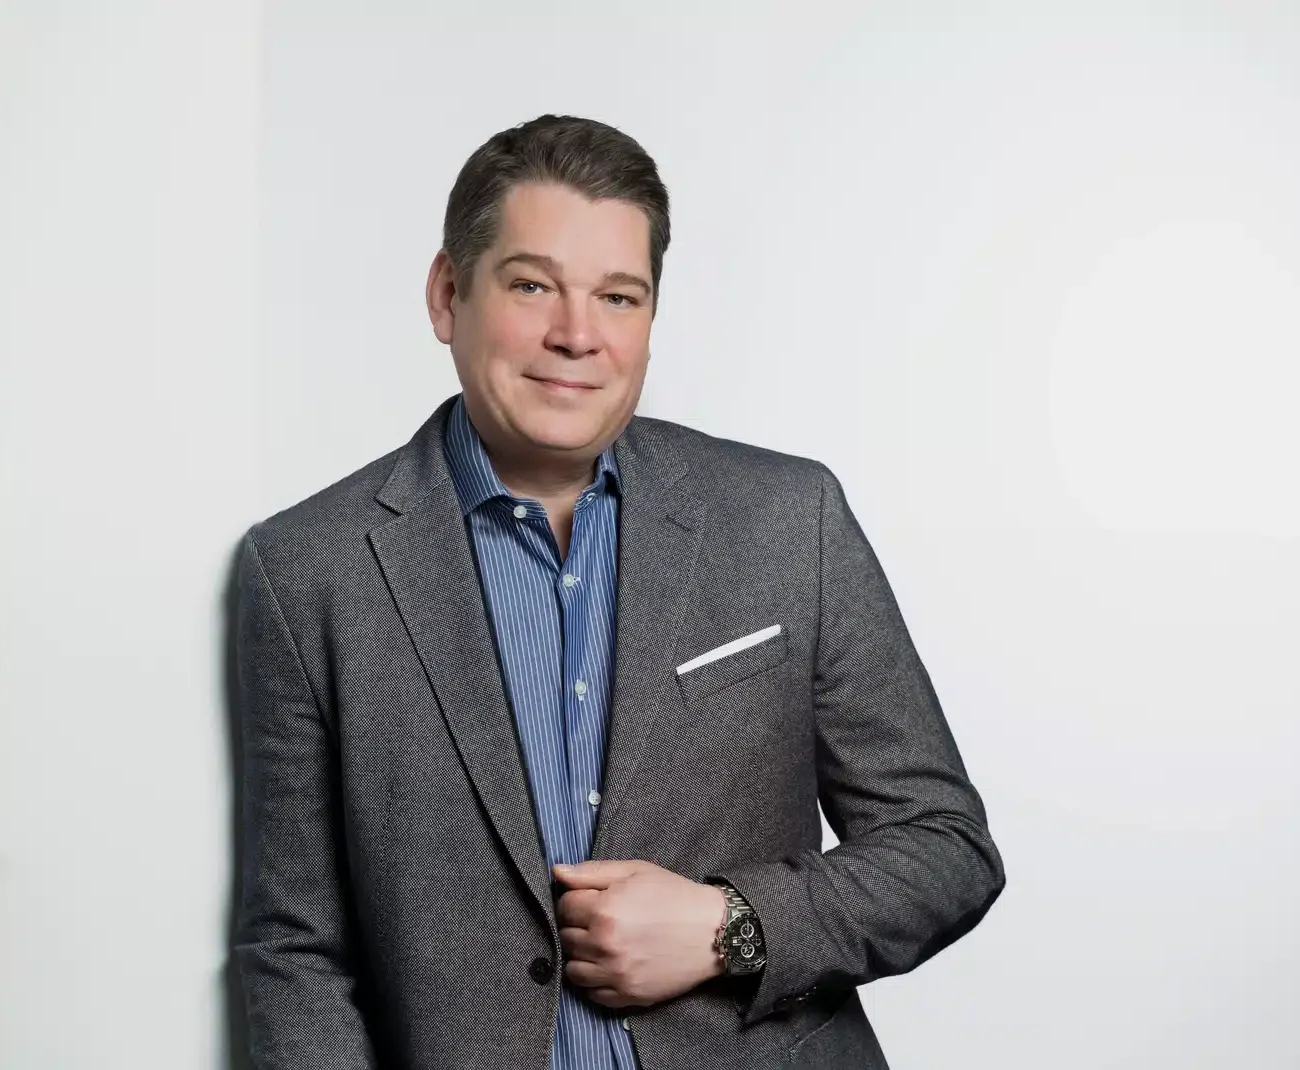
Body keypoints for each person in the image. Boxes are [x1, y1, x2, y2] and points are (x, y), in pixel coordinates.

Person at [233, 113, 1006, 1070]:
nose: (576, 336)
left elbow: (944, 846)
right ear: (447, 295)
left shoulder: (787, 519)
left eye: (617, 297)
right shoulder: (310, 570)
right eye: (531, 285)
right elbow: (295, 950)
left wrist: (730, 926)